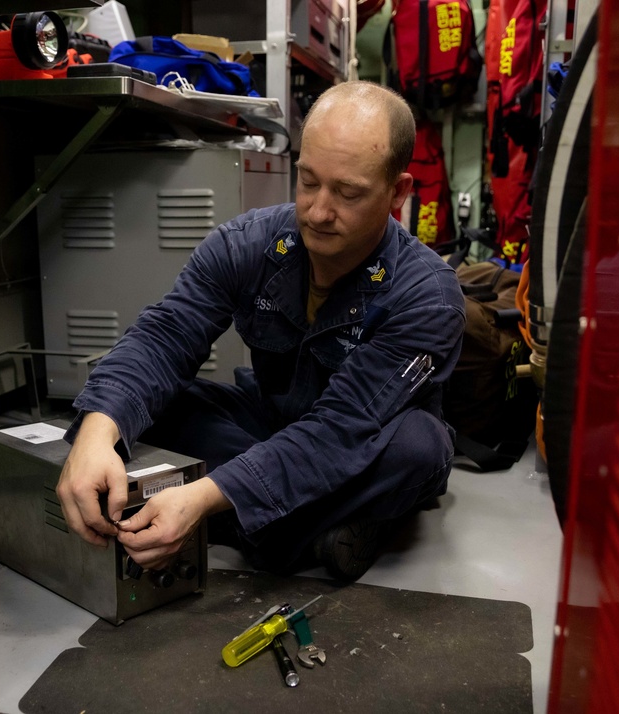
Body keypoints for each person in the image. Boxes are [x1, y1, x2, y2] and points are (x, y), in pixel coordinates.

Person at [56, 81, 465, 580]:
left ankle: (256, 529)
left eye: (348, 193)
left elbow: (340, 430)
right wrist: (98, 435)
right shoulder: (246, 245)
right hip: (269, 423)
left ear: (398, 192)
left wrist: (203, 499)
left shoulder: (427, 296)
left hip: (361, 441)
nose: (317, 211)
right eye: (308, 181)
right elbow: (166, 336)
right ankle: (311, 531)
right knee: (150, 407)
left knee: (417, 449)